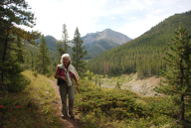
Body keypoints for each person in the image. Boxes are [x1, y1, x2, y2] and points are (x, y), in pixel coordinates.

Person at [54, 53, 79, 119]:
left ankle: (71, 112)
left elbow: (75, 75)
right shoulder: (59, 67)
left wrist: (77, 83)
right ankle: (64, 113)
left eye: (66, 60)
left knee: (71, 98)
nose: (65, 61)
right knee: (63, 99)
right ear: (62, 60)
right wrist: (61, 77)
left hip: (70, 84)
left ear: (69, 60)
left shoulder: (72, 67)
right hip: (62, 84)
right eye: (64, 60)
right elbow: (55, 76)